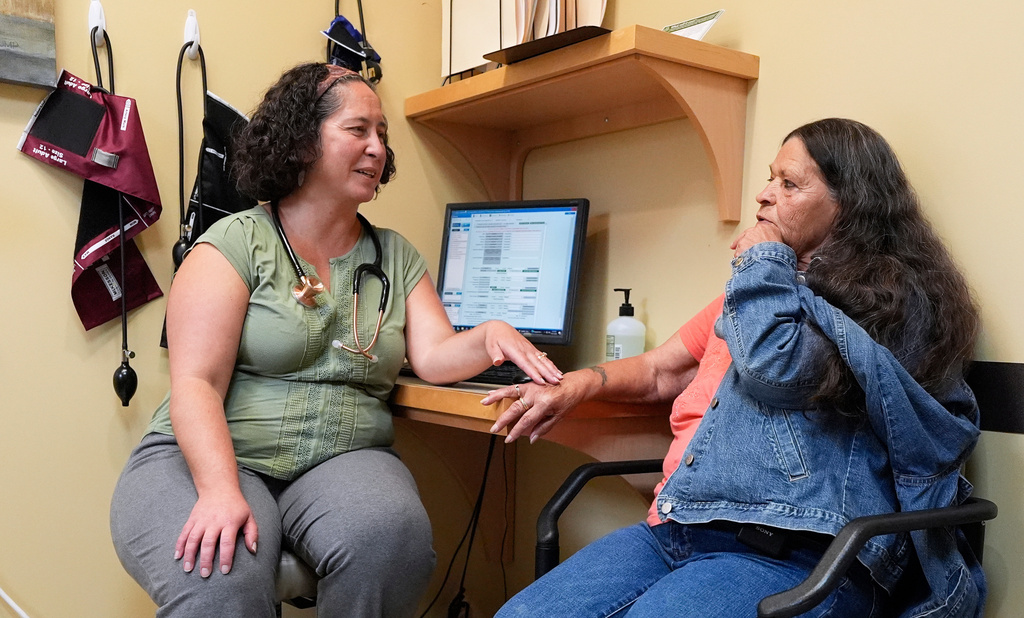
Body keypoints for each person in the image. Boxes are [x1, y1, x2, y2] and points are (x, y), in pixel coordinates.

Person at [109, 63, 563, 618]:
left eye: (383, 135)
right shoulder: (232, 243)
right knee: (221, 577)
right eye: (358, 130)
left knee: (392, 540)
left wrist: (490, 334)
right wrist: (221, 490)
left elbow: (437, 357)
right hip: (207, 456)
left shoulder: (395, 256)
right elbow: (196, 382)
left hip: (341, 458)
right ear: (301, 143)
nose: (377, 149)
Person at [484, 118, 984, 618]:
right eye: (771, 178)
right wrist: (573, 386)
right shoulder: (755, 294)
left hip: (797, 553)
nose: (764, 195)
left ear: (849, 206)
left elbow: (777, 370)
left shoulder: (893, 305)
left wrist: (763, 258)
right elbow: (663, 369)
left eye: (788, 184)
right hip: (681, 526)